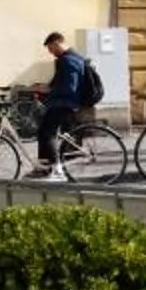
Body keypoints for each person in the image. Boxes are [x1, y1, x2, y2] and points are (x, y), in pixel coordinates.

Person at [31, 31, 94, 183]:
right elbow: (58, 83)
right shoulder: (69, 58)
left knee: (48, 133)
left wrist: (48, 90)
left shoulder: (67, 60)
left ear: (57, 43)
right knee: (43, 131)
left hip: (64, 103)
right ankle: (44, 167)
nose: (51, 52)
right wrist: (44, 87)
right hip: (62, 101)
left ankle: (57, 170)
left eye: (51, 48)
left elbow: (69, 87)